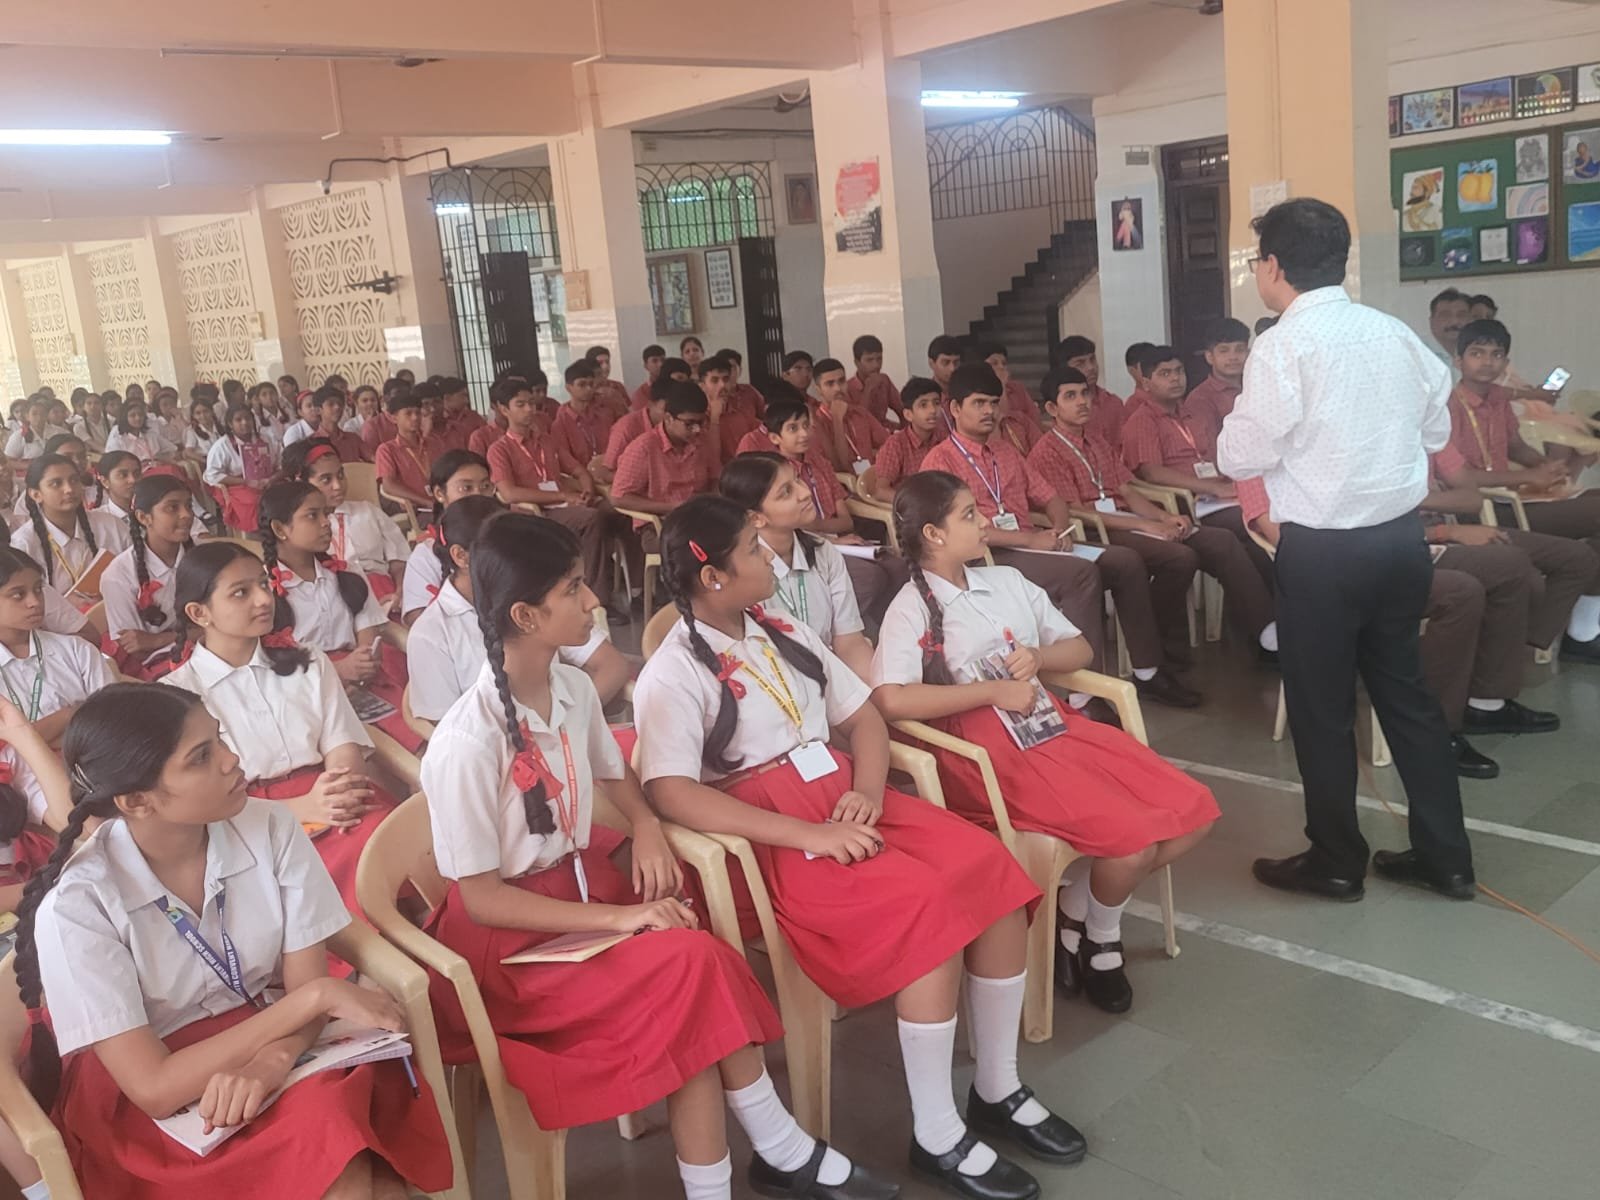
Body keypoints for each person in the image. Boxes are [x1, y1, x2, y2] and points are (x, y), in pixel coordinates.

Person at [420, 510, 886, 1200]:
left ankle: (763, 1161)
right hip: (513, 952)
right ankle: (781, 1148)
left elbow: (616, 776)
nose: (593, 601)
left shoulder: (573, 688)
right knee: (692, 964)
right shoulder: (466, 741)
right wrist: (620, 920)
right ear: (524, 615)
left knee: (690, 977)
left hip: (578, 898)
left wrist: (644, 826)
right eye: (574, 589)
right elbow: (482, 900)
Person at [636, 496, 1085, 1200]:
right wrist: (811, 834)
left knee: (989, 870)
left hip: (842, 795)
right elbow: (672, 793)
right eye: (753, 550)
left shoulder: (782, 628)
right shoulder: (672, 672)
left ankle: (996, 1089)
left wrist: (869, 791)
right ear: (714, 577)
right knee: (926, 910)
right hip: (770, 834)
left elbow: (865, 719)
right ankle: (937, 1133)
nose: (769, 559)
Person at [11, 684, 452, 1200]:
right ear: (136, 801)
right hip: (153, 1099)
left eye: (219, 738)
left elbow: (306, 992)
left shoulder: (272, 829)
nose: (231, 759)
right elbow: (153, 1088)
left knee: (350, 1152)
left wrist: (273, 1060)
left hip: (274, 1035)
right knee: (350, 1167)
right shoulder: (79, 905)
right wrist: (317, 997)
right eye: (201, 757)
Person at [872, 472, 1218, 1010]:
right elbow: (891, 699)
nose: (985, 521)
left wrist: (1037, 658)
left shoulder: (1007, 582)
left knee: (1195, 812)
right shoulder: (910, 607)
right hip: (986, 752)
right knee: (1131, 844)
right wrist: (991, 691)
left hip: (1049, 725)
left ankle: (1077, 914)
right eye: (969, 515)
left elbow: (1079, 650)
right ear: (934, 535)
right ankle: (1103, 939)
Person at [1217, 196, 1474, 901]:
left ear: (1273, 266)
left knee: (1322, 709)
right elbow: (1433, 430)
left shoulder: (1283, 345)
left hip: (1324, 554)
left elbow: (1242, 453)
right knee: (1407, 696)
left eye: (1257, 261)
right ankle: (1447, 858)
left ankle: (1335, 859)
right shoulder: (1393, 333)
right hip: (1400, 543)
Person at [165, 541, 396, 908]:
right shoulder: (177, 697)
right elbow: (203, 804)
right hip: (247, 823)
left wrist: (339, 793)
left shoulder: (308, 660)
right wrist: (304, 808)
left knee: (394, 841)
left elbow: (341, 744)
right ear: (199, 612)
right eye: (241, 592)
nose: (263, 599)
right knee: (336, 876)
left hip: (334, 795)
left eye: (263, 583)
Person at [1032, 367, 1280, 702]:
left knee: (1218, 541)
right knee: (1178, 557)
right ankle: (1155, 657)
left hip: (1126, 517)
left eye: (1085, 393)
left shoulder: (1096, 440)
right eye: (1070, 396)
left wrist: (1165, 516)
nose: (1082, 402)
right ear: (1051, 408)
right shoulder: (1046, 451)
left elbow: (1126, 489)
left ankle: (1268, 634)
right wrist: (1147, 526)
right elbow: (1076, 510)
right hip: (1095, 529)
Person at [919, 364, 1109, 675]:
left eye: (994, 403)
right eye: (979, 403)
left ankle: (1147, 669)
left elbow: (1051, 498)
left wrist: (1059, 531)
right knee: (1082, 574)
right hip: (984, 556)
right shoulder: (940, 460)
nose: (989, 411)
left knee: (1122, 563)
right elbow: (958, 533)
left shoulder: (1005, 452)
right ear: (954, 408)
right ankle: (1085, 687)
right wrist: (1031, 539)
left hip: (1029, 545)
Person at [1441, 319, 1600, 662]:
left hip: (1516, 497)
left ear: (1506, 361)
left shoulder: (1498, 400)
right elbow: (1461, 478)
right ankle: (1547, 638)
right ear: (1458, 361)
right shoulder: (1449, 406)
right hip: (1485, 507)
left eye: (1496, 354)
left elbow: (1514, 446)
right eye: (1477, 353)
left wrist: (1544, 467)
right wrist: (1531, 476)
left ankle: (1581, 627)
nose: (1487, 362)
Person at [405, 496, 630, 721]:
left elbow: (611, 665)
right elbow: (442, 728)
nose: (593, 600)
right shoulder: (431, 633)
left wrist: (571, 725)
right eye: (506, 553)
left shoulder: (536, 598)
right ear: (461, 556)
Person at [1122, 343, 1279, 598]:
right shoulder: (1142, 421)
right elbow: (1151, 473)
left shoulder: (1194, 413)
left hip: (1217, 496)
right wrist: (1212, 488)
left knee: (1258, 543)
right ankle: (1268, 615)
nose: (1175, 378)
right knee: (1253, 524)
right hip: (1183, 503)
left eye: (1179, 371)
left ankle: (1269, 614)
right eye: (1165, 374)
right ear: (1146, 383)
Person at [747, 397, 903, 624]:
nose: (803, 434)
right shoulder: (774, 478)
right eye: (793, 428)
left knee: (898, 567)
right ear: (774, 438)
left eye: (805, 426)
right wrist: (826, 537)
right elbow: (792, 529)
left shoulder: (820, 463)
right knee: (870, 578)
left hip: (838, 539)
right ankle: (832, 626)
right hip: (810, 545)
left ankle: (888, 629)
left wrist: (820, 529)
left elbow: (846, 521)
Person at [720, 453, 875, 680]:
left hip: (832, 677)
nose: (805, 493)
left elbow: (850, 643)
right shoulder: (742, 576)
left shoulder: (823, 552)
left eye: (798, 480)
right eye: (786, 492)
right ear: (756, 518)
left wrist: (876, 693)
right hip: (779, 687)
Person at [484, 377, 621, 605]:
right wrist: (563, 496)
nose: (529, 409)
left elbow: (578, 470)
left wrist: (587, 490)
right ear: (503, 409)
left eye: (531, 403)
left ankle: (635, 586)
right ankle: (598, 597)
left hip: (566, 505)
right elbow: (509, 494)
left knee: (617, 510)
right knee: (591, 519)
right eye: (520, 405)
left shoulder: (547, 440)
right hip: (536, 513)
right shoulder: (499, 450)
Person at [0, 546, 115, 746]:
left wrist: (30, 738)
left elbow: (114, 719)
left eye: (38, 590)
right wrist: (70, 714)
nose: (34, 602)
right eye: (18, 595)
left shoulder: (77, 650)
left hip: (91, 760)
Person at [283, 440, 410, 604]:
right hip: (332, 601)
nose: (338, 486)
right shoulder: (299, 530)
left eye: (341, 475)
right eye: (326, 480)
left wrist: (400, 591)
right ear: (302, 484)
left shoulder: (368, 512)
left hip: (385, 595)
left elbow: (399, 559)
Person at [611, 381, 720, 557]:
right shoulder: (644, 447)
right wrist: (670, 507)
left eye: (701, 422)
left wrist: (714, 501)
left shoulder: (703, 440)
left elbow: (715, 478)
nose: (697, 429)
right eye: (689, 424)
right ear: (668, 418)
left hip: (698, 516)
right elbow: (619, 498)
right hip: (658, 524)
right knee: (698, 545)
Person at [101, 474, 193, 679]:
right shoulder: (119, 574)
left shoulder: (202, 556)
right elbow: (136, 649)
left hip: (207, 649)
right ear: (144, 518)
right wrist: (199, 632)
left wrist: (157, 640)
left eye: (189, 505)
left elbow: (225, 622)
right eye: (172, 508)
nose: (186, 514)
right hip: (161, 668)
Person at [13, 455, 130, 603]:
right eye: (56, 483)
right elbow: (21, 603)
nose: (69, 489)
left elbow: (137, 574)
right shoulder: (23, 544)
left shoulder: (111, 525)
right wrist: (64, 606)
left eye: (74, 480)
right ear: (36, 494)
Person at [399, 450, 497, 625]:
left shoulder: (507, 539)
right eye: (466, 488)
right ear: (439, 493)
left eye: (485, 486)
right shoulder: (426, 553)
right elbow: (417, 617)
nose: (478, 495)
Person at [870, 378, 947, 502]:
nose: (933, 410)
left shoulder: (945, 437)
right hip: (911, 507)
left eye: (936, 403)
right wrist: (916, 503)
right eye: (923, 405)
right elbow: (881, 491)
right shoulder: (896, 445)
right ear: (908, 415)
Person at [204, 405, 278, 534]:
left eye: (248, 418)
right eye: (238, 420)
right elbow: (212, 475)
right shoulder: (222, 446)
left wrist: (270, 479)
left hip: (267, 480)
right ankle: (261, 534)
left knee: (284, 495)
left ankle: (281, 530)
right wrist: (246, 482)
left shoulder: (265, 439)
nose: (244, 423)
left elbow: (277, 462)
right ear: (230, 424)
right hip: (238, 484)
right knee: (254, 501)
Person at [1182, 318, 1250, 454]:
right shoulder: (1200, 399)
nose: (1233, 357)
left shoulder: (1257, 387)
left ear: (1248, 353)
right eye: (1224, 351)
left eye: (1239, 349)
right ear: (1209, 357)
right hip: (1227, 465)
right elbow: (1208, 450)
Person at [814, 357, 889, 474]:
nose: (838, 388)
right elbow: (839, 466)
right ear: (818, 390)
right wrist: (837, 420)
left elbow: (888, 443)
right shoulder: (817, 423)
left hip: (872, 476)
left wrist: (877, 455)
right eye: (830, 384)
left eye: (841, 381)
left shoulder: (860, 413)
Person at [373, 392, 445, 510]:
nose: (415, 417)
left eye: (418, 413)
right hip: (417, 509)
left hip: (442, 502)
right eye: (408, 413)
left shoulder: (434, 443)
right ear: (394, 418)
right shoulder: (387, 449)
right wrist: (426, 502)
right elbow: (388, 485)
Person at [1054, 336, 1125, 450]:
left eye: (1092, 359)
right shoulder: (1063, 408)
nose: (1091, 367)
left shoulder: (1114, 403)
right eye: (1080, 363)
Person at [551, 359, 614, 480]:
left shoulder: (605, 415)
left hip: (609, 473)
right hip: (580, 480)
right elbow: (566, 463)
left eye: (591, 384)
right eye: (582, 384)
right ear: (568, 388)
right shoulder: (560, 424)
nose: (589, 389)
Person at [980, 345, 1042, 455]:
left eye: (1004, 363)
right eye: (994, 363)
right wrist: (1001, 385)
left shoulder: (1017, 388)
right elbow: (1000, 414)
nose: (1001, 367)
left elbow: (1035, 419)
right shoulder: (978, 395)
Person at [603, 372, 668, 473]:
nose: (671, 415)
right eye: (666, 410)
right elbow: (608, 469)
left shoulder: (676, 425)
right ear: (650, 404)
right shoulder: (625, 427)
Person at [105, 399, 180, 468]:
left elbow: (173, 450)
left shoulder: (151, 435)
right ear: (125, 418)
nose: (138, 418)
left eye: (140, 415)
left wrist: (161, 458)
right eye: (132, 415)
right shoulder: (119, 439)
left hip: (157, 469)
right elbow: (113, 462)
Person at [848, 334, 902, 423]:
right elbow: (858, 422)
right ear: (857, 363)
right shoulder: (847, 388)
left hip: (884, 428)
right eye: (869, 360)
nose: (876, 365)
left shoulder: (884, 380)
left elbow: (902, 410)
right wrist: (868, 389)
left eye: (879, 359)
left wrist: (906, 429)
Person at [307, 386, 369, 463]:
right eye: (331, 404)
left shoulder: (353, 439)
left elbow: (373, 459)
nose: (337, 407)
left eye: (340, 404)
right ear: (318, 410)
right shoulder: (312, 443)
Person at [436, 376, 483, 450]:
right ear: (447, 397)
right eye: (463, 396)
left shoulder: (474, 417)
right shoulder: (438, 421)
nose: (467, 401)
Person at [4, 399, 53, 465]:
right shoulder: (18, 436)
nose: (39, 417)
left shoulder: (59, 431)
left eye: (42, 413)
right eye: (34, 414)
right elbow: (8, 460)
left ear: (47, 415)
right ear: (27, 416)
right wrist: (30, 466)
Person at [632, 344, 667, 410]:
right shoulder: (641, 393)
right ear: (646, 366)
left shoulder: (675, 386)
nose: (660, 364)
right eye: (654, 361)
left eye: (663, 360)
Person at [1122, 342, 1153, 410]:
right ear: (1132, 370)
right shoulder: (1133, 405)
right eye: (1147, 365)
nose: (1153, 370)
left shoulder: (1170, 396)